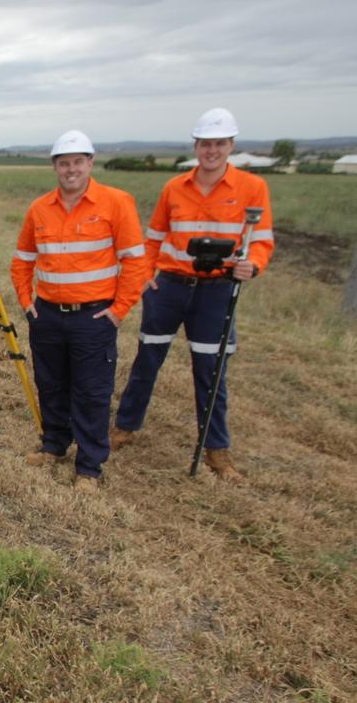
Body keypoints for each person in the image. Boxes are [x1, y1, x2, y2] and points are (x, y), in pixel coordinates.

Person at [112, 108, 274, 483]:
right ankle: (124, 427)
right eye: (205, 144)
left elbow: (262, 241)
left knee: (212, 372)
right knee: (146, 361)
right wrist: (146, 279)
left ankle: (217, 450)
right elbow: (154, 237)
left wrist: (254, 265)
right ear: (196, 146)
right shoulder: (175, 187)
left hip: (216, 293)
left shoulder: (252, 188)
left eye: (219, 143)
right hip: (168, 287)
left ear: (231, 146)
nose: (212, 151)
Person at [10, 130, 149, 492]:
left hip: (93, 316)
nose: (70, 169)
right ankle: (54, 445)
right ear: (55, 167)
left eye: (77, 162)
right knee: (51, 383)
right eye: (63, 163)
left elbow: (136, 262)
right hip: (48, 315)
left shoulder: (116, 202)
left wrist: (119, 311)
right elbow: (22, 260)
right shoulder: (40, 208)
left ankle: (89, 466)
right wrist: (28, 302)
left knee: (91, 392)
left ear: (90, 163)